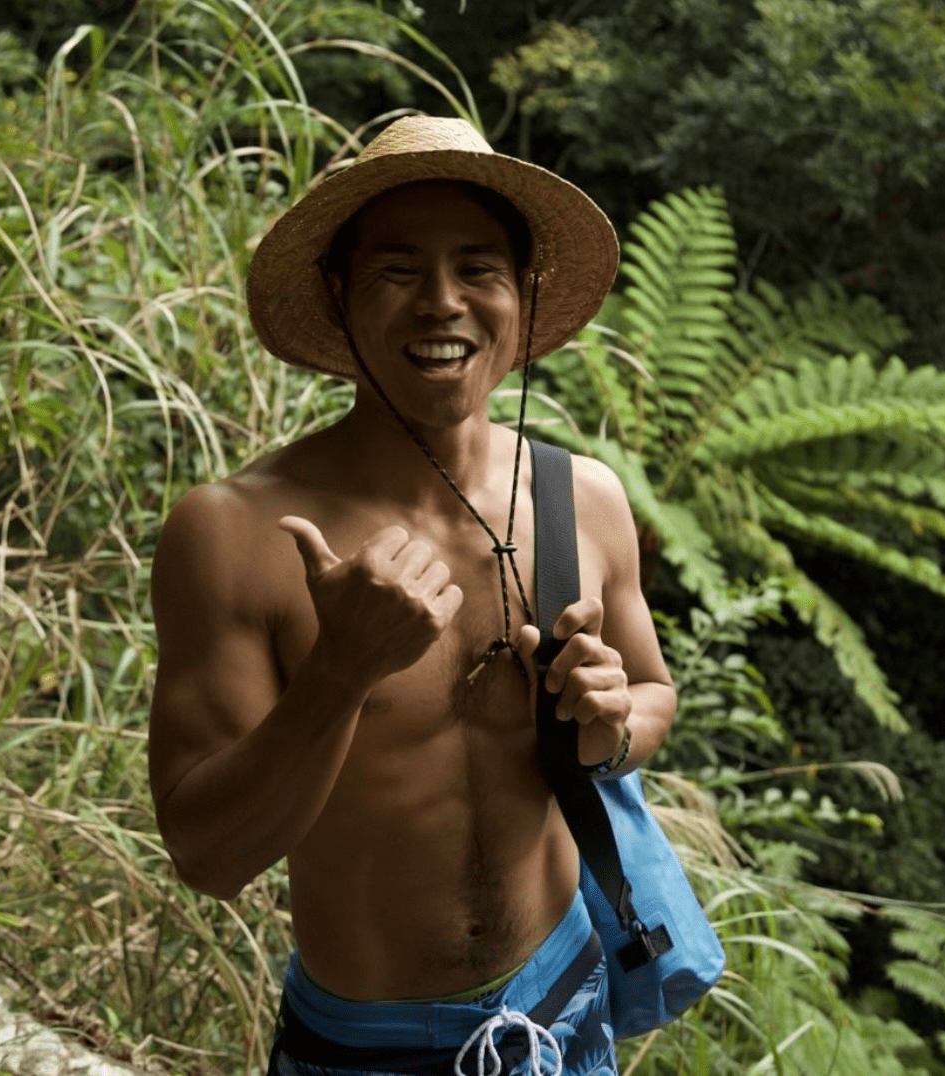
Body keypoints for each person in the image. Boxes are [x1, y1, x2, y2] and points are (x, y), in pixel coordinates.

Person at [147, 115, 677, 1076]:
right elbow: (207, 856)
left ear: (523, 293)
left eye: (478, 268)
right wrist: (338, 672)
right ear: (339, 296)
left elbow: (652, 695)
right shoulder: (232, 533)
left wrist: (608, 724)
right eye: (397, 272)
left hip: (567, 1009)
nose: (442, 303)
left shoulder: (582, 500)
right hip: (363, 1049)